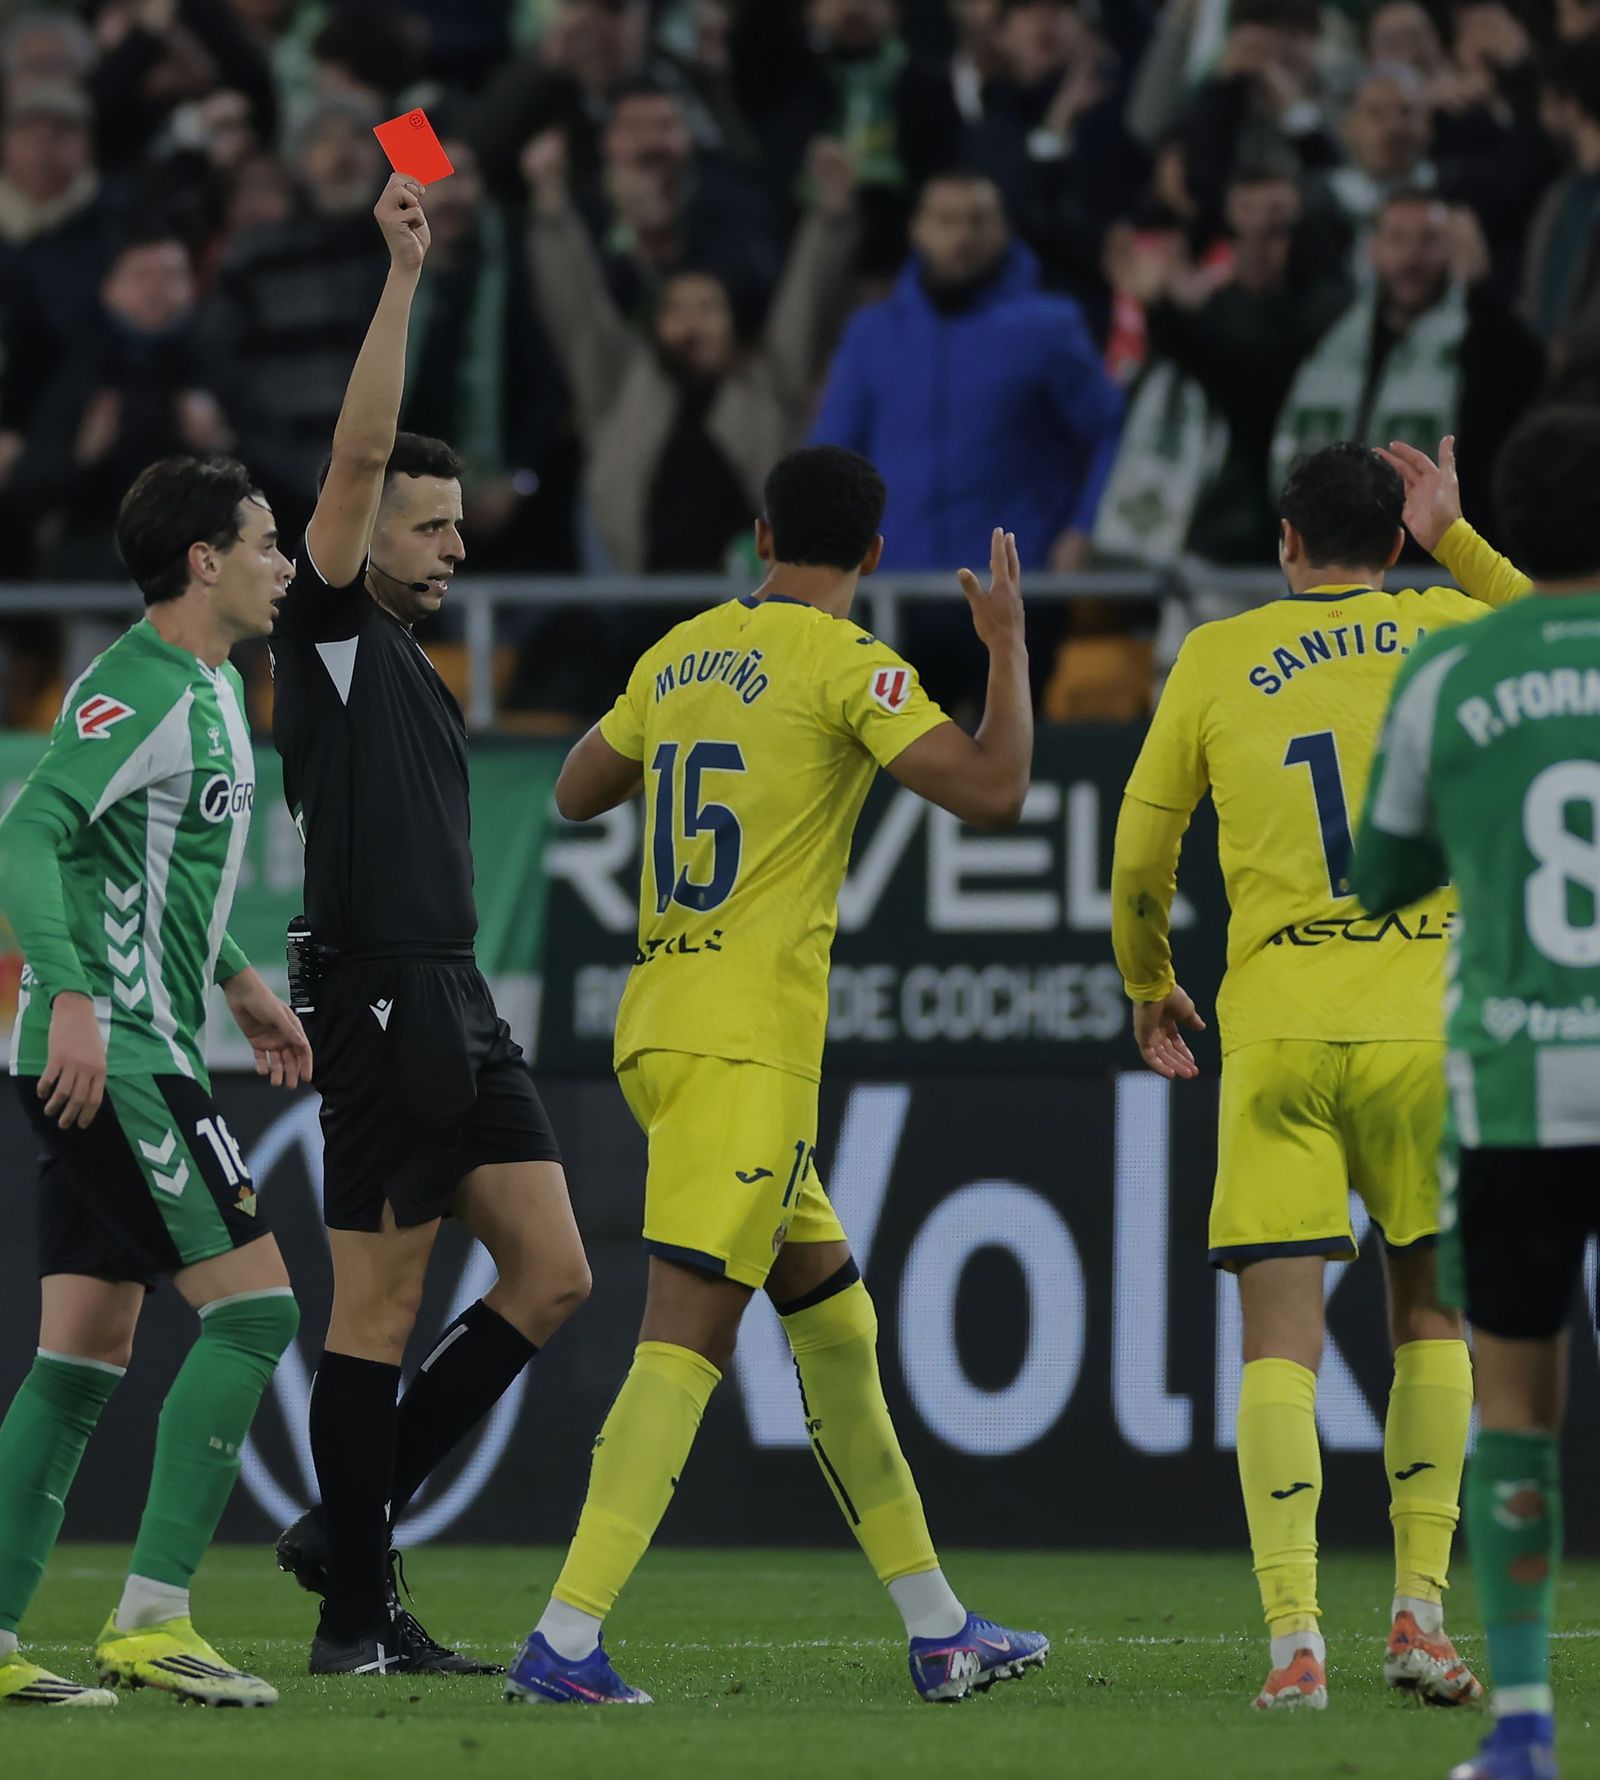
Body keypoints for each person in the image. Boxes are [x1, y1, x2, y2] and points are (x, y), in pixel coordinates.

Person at [505, 446, 1047, 1707]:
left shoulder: (682, 648)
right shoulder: (852, 665)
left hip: (660, 1023)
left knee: (835, 1321)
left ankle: (939, 1626)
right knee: (683, 1338)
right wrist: (1006, 645)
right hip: (747, 1040)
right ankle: (565, 1640)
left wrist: (688, 724)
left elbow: (581, 790)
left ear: (759, 533)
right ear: (872, 553)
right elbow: (998, 787)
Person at [1109, 438, 1534, 1712]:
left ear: (1285, 545)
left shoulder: (1219, 656)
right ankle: (1419, 1616)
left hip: (1282, 1027)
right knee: (1434, 1321)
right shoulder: (1455, 633)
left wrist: (1148, 978)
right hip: (1428, 1024)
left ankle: (1295, 1638)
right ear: (1395, 542)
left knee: (1279, 1346)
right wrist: (1460, 539)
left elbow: (1142, 852)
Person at [268, 174, 591, 1677]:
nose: (455, 546)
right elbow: (356, 446)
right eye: (431, 521)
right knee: (379, 1309)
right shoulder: (327, 634)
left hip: (453, 997)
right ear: (367, 528)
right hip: (381, 998)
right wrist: (403, 274)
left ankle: (347, 1530)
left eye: (463, 523)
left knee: (554, 1274)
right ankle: (352, 1620)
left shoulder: (401, 655)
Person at [0, 453, 307, 1707]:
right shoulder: (141, 684)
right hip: (118, 1052)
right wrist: (69, 995)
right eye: (265, 542)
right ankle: (153, 1617)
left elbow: (144, 857)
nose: (283, 564)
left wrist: (234, 972)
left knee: (81, 1355)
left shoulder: (218, 681)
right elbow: (31, 829)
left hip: (139, 1035)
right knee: (257, 1312)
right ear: (203, 562)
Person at [1353, 410, 1600, 1780]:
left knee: (1517, 1411)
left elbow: (1383, 876)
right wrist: (1464, 548)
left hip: (1515, 1089)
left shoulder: (1450, 677)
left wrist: (1445, 548)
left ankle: (1519, 1735)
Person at [1271, 190, 1545, 543]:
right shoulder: (1327, 333)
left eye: (1429, 241)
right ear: (1373, 249)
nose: (1411, 257)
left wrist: (1479, 288)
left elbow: (1520, 379)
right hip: (1330, 551)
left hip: (1435, 556)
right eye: (1397, 239)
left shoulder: (1485, 337)